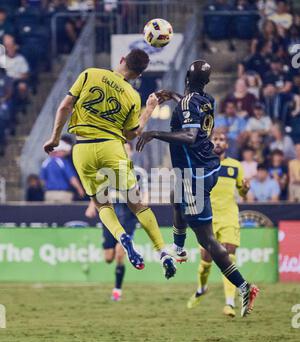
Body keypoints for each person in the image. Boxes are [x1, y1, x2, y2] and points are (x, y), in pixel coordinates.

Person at [137, 59, 259, 317]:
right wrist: (174, 97)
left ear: (186, 76)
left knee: (207, 240)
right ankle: (179, 248)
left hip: (196, 175)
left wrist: (154, 134)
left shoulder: (188, 102)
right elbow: (191, 109)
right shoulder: (206, 100)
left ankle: (244, 286)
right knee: (174, 195)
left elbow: (190, 137)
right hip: (208, 167)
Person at [43, 49, 176, 279]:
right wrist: (150, 109)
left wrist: (55, 138)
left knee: (102, 204)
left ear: (122, 59)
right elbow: (131, 134)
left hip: (82, 148)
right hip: (111, 147)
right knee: (137, 204)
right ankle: (162, 251)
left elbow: (64, 106)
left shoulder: (89, 74)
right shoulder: (133, 96)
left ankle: (121, 237)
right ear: (137, 75)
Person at [186, 130, 250, 317]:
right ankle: (202, 288)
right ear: (209, 142)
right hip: (207, 219)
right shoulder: (201, 163)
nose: (219, 142)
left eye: (222, 140)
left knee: (228, 258)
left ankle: (229, 303)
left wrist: (245, 189)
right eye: (215, 139)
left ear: (227, 145)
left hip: (229, 217)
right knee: (206, 260)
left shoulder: (236, 166)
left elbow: (243, 192)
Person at [85, 142, 147, 302]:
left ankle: (117, 290)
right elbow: (99, 191)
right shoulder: (107, 171)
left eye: (126, 150)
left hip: (128, 213)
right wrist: (92, 205)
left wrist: (142, 211)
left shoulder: (139, 172)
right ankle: (112, 246)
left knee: (120, 254)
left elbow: (144, 195)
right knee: (108, 257)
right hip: (111, 211)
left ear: (131, 153)